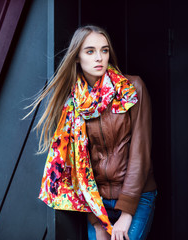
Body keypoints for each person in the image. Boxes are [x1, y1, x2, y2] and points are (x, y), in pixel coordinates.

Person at [28, 25, 157, 240]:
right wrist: (95, 221)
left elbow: (140, 153)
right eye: (90, 51)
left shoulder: (131, 88)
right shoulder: (73, 103)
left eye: (104, 50)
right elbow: (79, 167)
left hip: (136, 197)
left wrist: (127, 213)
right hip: (97, 203)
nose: (99, 57)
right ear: (77, 57)